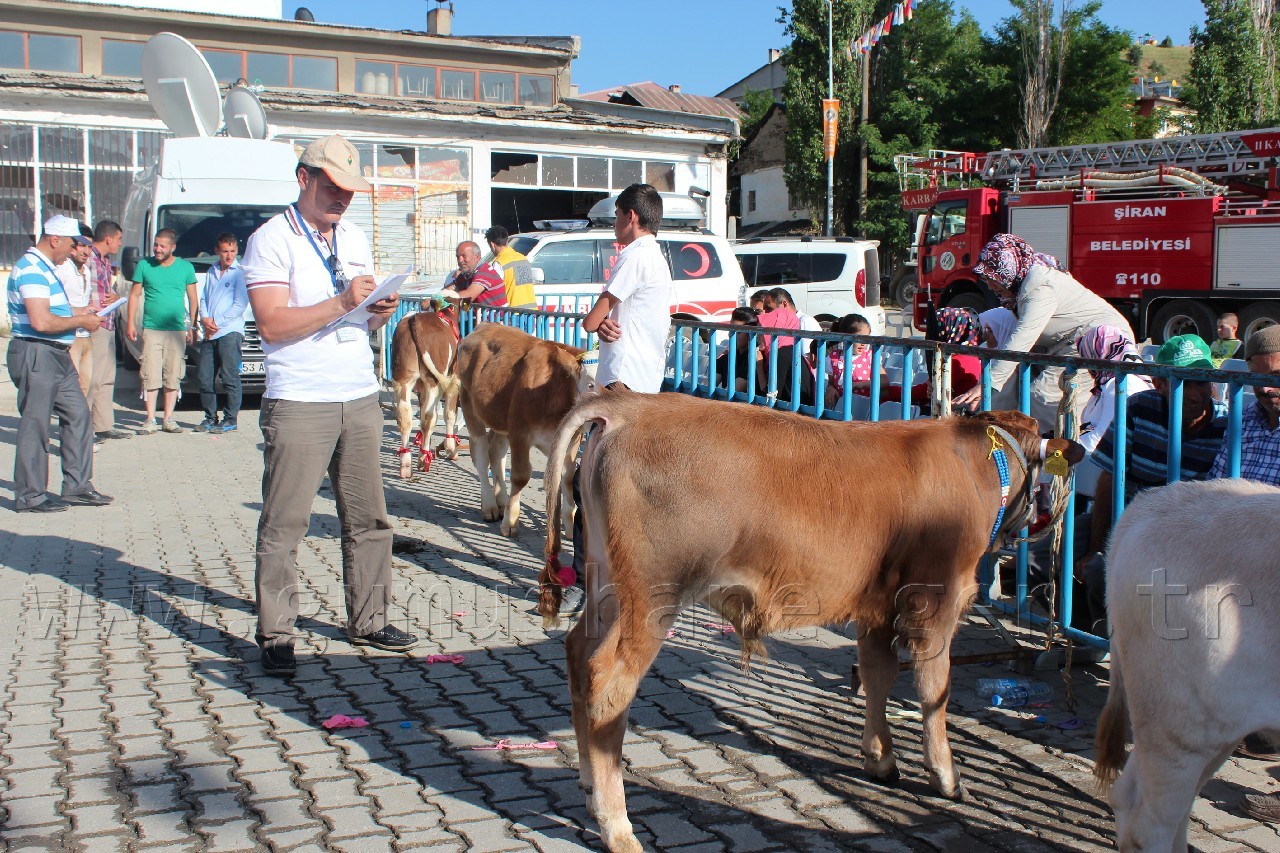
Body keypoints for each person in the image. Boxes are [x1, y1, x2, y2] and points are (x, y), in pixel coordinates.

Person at [241, 134, 416, 676]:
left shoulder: (355, 236)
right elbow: (272, 323)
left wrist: (379, 309)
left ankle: (369, 619)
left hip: (358, 393)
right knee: (285, 522)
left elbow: (360, 321)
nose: (342, 199)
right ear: (304, 178)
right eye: (333, 188)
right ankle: (276, 633)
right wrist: (344, 301)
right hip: (300, 398)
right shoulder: (270, 240)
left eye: (349, 192)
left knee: (369, 519)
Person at [569, 184, 673, 615]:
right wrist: (608, 324)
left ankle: (585, 580)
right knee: (622, 490)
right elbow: (619, 316)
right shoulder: (659, 259)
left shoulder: (634, 254)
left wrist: (597, 323)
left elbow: (592, 316)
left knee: (588, 486)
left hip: (620, 390)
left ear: (631, 216)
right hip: (644, 387)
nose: (614, 225)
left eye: (616, 217)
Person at [1077, 334, 1226, 633]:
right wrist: (1098, 544)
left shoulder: (1227, 424)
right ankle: (1094, 635)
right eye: (1184, 382)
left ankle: (1123, 642)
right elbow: (1110, 478)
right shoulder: (1138, 407)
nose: (1197, 394)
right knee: (1044, 555)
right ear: (1158, 385)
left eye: (1203, 381)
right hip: (1130, 517)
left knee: (1100, 573)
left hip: (1186, 533)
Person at [954, 234, 1134, 432]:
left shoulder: (1038, 287)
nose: (989, 286)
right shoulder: (1021, 288)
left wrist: (986, 384)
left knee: (1042, 397)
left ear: (1006, 271)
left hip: (1097, 341)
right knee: (1023, 386)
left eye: (992, 279)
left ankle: (1058, 447)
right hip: (1068, 342)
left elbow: (1023, 337)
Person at [6, 215, 112, 512]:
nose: (73, 249)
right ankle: (30, 496)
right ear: (54, 240)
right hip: (36, 352)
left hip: (56, 354)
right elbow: (40, 321)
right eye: (71, 243)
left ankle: (76, 486)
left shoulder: (47, 268)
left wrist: (83, 312)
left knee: (78, 414)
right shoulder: (31, 269)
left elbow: (53, 310)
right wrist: (81, 319)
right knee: (35, 424)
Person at [127, 227, 197, 434]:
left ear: (172, 248)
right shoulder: (144, 265)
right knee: (150, 372)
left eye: (162, 246)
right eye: (156, 245)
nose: (157, 249)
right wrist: (130, 322)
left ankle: (168, 418)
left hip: (177, 330)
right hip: (152, 328)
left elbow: (193, 298)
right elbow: (134, 295)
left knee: (173, 373)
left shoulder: (185, 268)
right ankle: (150, 419)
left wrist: (191, 326)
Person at [1071, 325, 1154, 499]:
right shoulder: (1107, 383)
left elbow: (1102, 440)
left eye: (1086, 357)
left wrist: (1064, 446)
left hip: (1111, 478)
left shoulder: (1122, 384)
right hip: (1099, 467)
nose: (1086, 365)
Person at [197, 232, 248, 433]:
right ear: (217, 251)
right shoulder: (212, 271)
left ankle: (230, 418)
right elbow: (204, 298)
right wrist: (205, 317)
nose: (229, 256)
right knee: (205, 376)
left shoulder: (239, 272)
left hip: (229, 330)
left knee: (229, 376)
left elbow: (240, 304)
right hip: (210, 332)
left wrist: (217, 322)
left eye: (233, 251)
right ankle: (210, 416)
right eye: (225, 251)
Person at [86, 219, 130, 441]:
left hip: (108, 325)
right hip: (95, 324)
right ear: (108, 238)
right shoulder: (88, 259)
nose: (120, 244)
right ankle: (83, 428)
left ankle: (103, 425)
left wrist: (114, 296)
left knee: (106, 377)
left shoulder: (104, 262)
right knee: (92, 379)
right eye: (119, 239)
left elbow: (104, 290)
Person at [55, 221, 96, 397]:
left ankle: (79, 424)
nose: (86, 252)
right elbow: (54, 306)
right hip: (68, 337)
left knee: (85, 386)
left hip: (85, 335)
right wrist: (81, 311)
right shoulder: (61, 270)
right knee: (69, 389)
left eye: (89, 246)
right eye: (81, 246)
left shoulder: (86, 270)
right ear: (72, 246)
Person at [484, 225, 536, 307]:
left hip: (513, 313)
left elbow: (492, 290)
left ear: (492, 244)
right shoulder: (522, 258)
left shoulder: (499, 263)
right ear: (506, 242)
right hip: (530, 312)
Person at [442, 241, 505, 305]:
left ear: (477, 257)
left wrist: (442, 299)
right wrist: (438, 297)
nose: (460, 260)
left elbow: (468, 296)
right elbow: (451, 288)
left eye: (464, 256)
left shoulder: (485, 272)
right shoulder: (465, 274)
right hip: (480, 314)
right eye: (458, 257)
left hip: (495, 315)